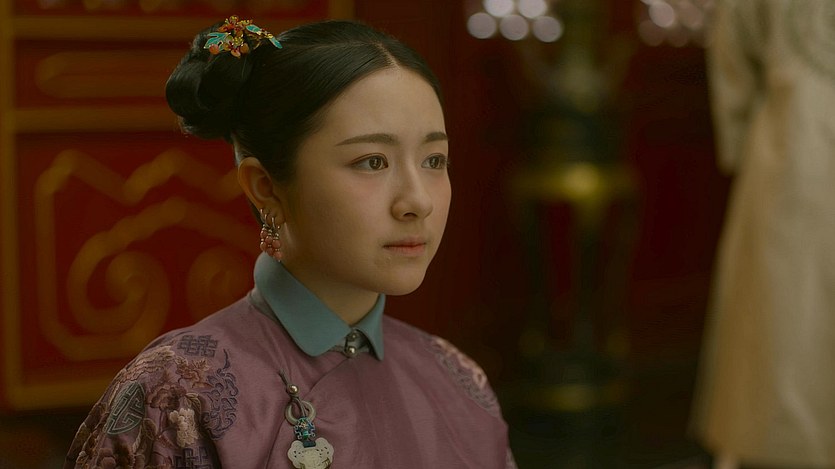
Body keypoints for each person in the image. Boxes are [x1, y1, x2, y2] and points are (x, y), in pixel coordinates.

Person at [65, 17, 515, 468]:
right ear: (265, 186)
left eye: (434, 160)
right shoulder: (176, 392)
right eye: (372, 161)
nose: (418, 201)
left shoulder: (456, 379)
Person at [691, 1, 835, 467]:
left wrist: (738, 139)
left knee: (780, 312)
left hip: (790, 145)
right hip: (792, 149)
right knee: (780, 311)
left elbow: (732, 56)